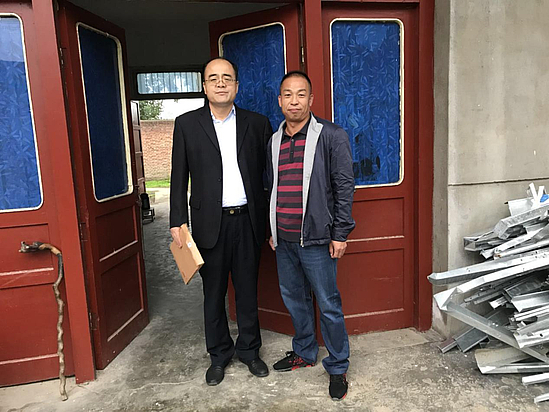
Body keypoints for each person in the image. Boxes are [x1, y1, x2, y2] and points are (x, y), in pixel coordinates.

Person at [170, 57, 272, 386]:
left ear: (237, 86)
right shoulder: (187, 124)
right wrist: (177, 221)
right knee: (213, 295)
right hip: (208, 224)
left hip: (248, 221)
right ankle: (219, 355)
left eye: (227, 78)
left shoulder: (257, 124)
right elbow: (178, 177)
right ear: (204, 86)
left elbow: (269, 177)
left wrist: (271, 220)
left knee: (247, 291)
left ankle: (250, 351)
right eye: (213, 78)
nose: (220, 83)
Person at [266, 71, 355, 400]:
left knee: (328, 304)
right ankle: (304, 352)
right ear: (280, 100)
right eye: (288, 95)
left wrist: (340, 233)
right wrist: (272, 230)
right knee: (295, 299)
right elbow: (271, 187)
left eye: (301, 94)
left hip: (317, 238)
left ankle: (338, 366)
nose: (294, 101)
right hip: (284, 239)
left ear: (311, 99)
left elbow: (344, 187)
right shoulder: (274, 140)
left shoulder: (331, 135)